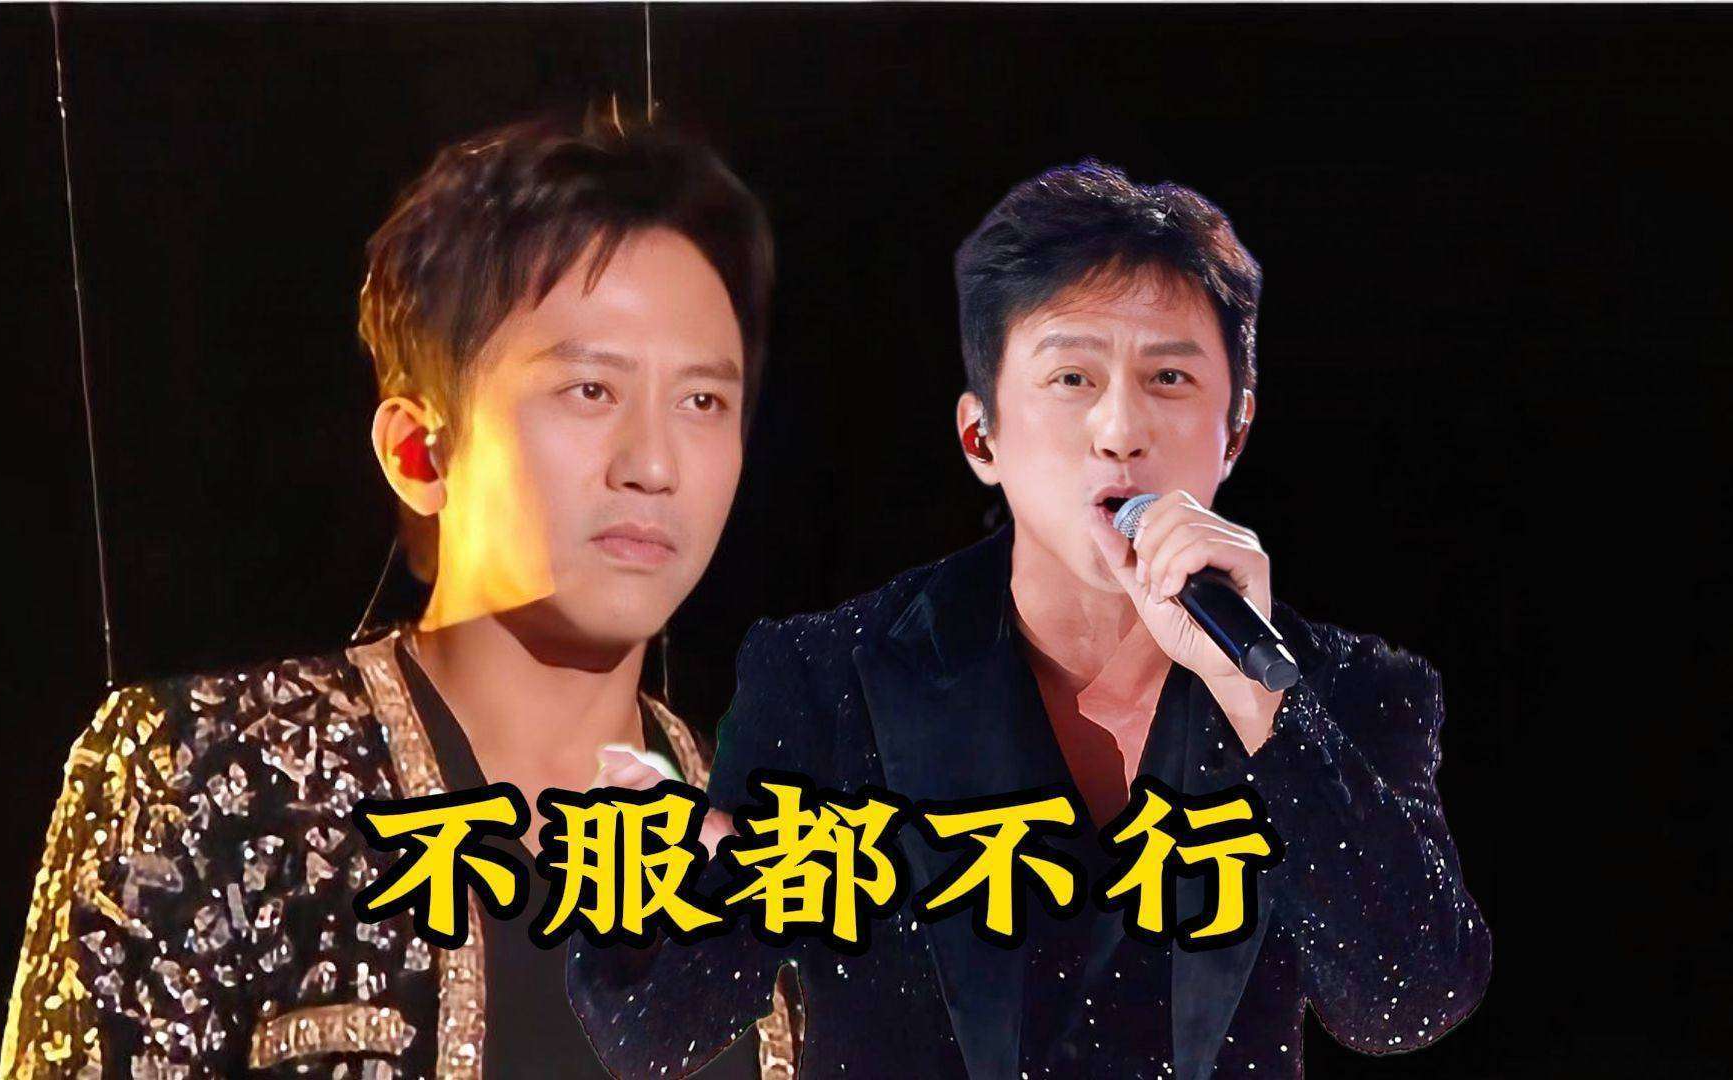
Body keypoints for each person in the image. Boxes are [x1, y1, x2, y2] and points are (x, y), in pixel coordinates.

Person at [570, 160, 1491, 1079]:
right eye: (1072, 377)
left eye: (1169, 377)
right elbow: (653, 1033)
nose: (1119, 430)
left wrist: (1258, 699)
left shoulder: (1342, 690)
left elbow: (1407, 999)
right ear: (983, 436)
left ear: (1236, 429)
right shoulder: (828, 677)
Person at [0, 108, 799, 1079]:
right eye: (591, 389)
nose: (655, 464)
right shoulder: (213, 778)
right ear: (421, 452)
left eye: (703, 401)